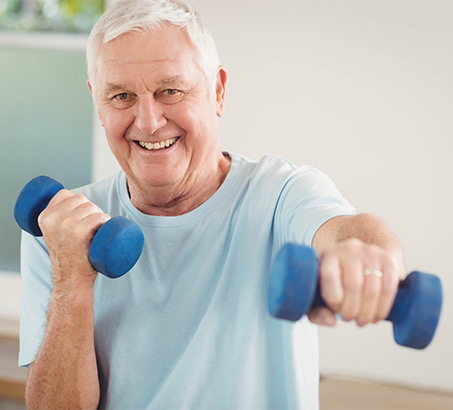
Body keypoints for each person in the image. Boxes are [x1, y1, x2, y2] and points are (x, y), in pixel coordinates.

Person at [19, 0, 405, 408]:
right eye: (122, 96)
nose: (148, 122)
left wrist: (371, 254)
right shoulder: (62, 230)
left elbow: (347, 229)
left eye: (170, 90)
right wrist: (73, 281)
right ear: (97, 101)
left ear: (218, 91)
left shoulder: (280, 195)